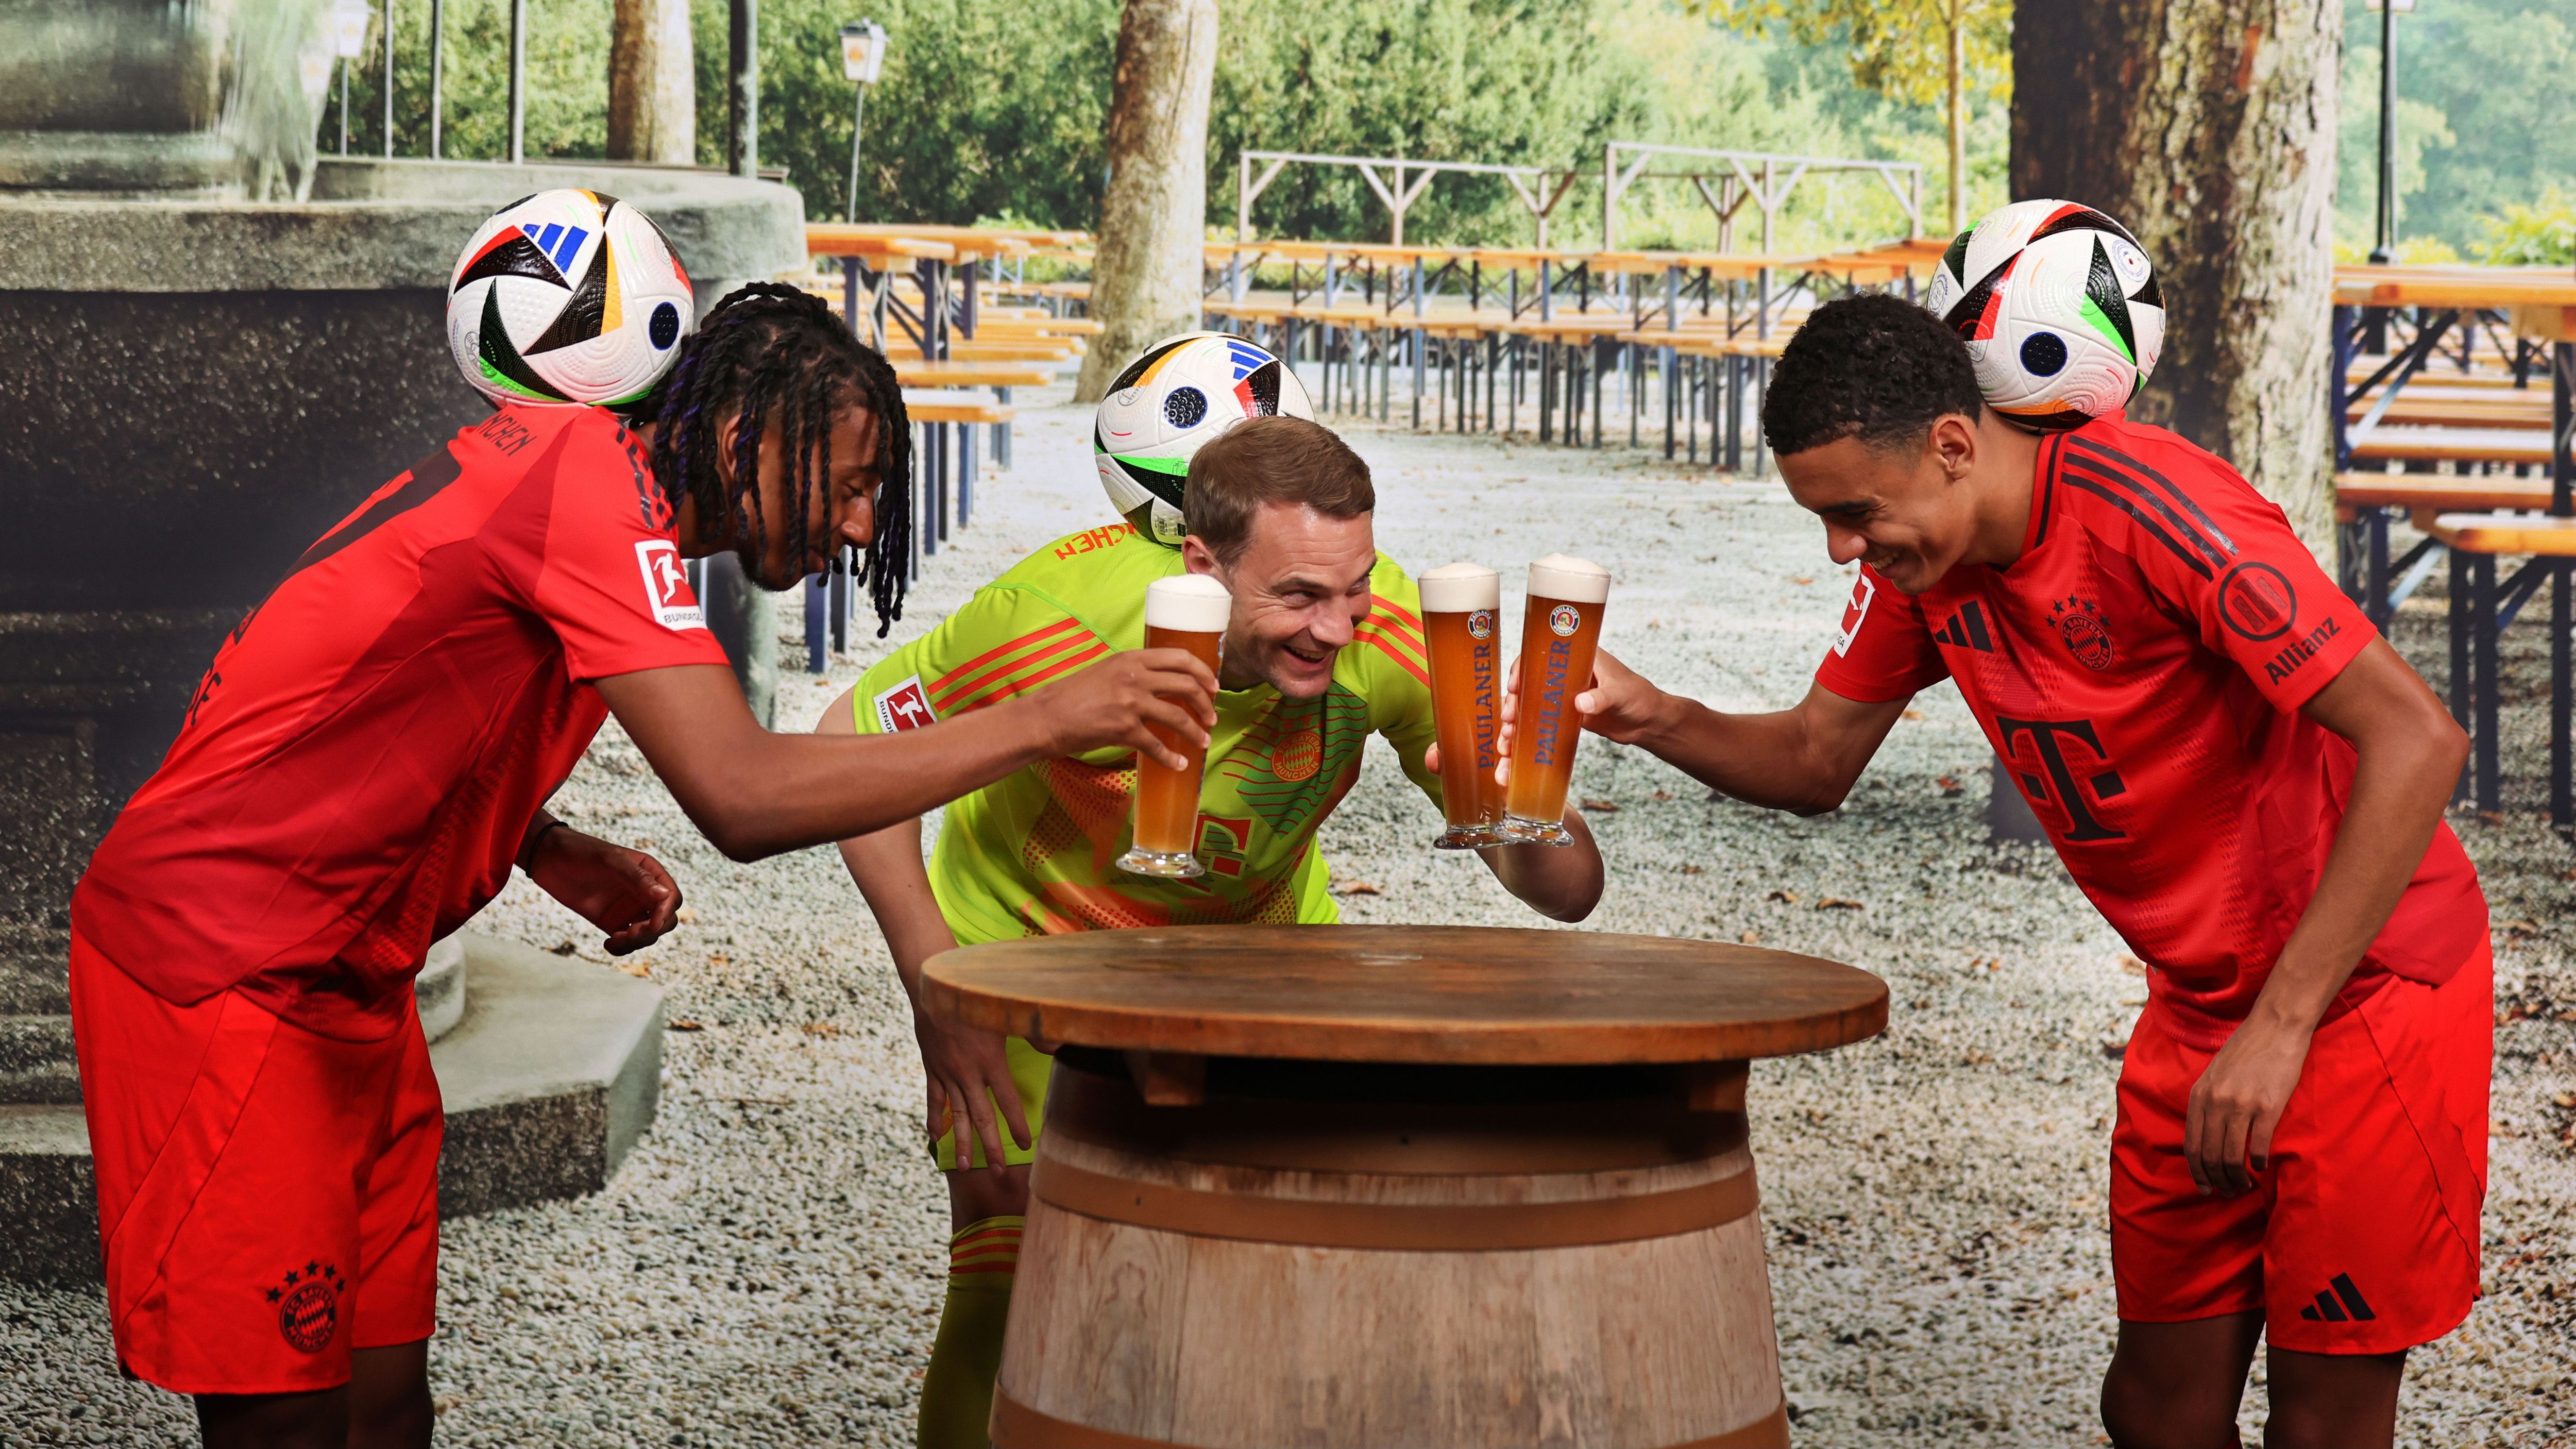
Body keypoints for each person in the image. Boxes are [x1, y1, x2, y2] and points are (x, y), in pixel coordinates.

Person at [67, 284, 1217, 1449]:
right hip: (226, 967)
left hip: (349, 983)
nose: (865, 526)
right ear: (740, 440)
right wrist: (1041, 719)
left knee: (384, 1394)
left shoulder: (596, 478)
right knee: (288, 1419)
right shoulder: (590, 481)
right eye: (854, 481)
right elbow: (743, 795)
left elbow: (385, 667)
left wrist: (545, 842)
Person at [1528, 295, 2488, 1449]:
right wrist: (1658, 716)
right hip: (2201, 1001)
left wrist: (2283, 1024)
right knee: (2155, 1406)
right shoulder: (1925, 567)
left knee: (2323, 1418)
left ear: (1950, 444)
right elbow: (1813, 758)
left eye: (1853, 513)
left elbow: (2417, 737)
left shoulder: (2160, 506)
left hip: (2361, 987)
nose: (1842, 548)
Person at [820, 413, 1605, 1447]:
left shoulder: (1400, 634)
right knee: (1014, 1267)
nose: (1336, 627)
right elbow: (851, 744)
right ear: (1201, 560)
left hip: (1264, 958)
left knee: (1282, 1269)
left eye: (1355, 585)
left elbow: (1566, 891)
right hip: (1029, 950)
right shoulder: (1052, 616)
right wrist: (937, 986)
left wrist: (1520, 789)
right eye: (1296, 595)